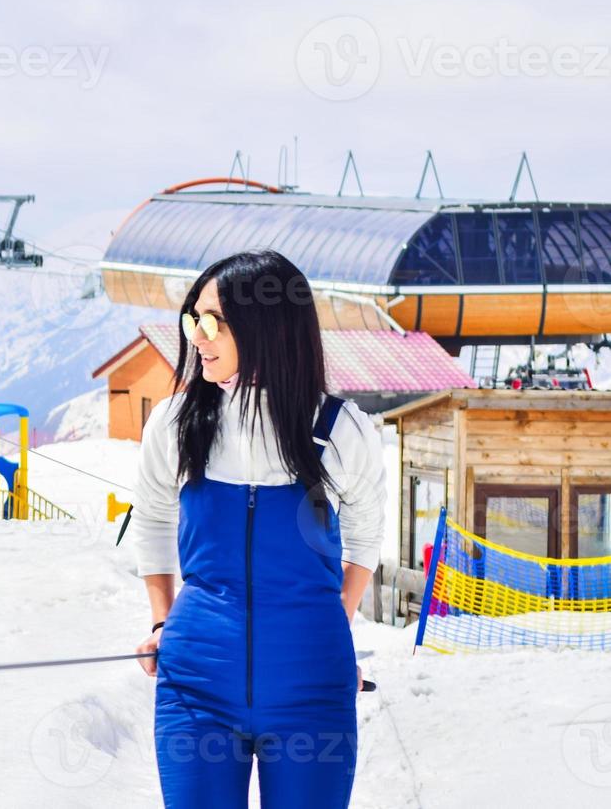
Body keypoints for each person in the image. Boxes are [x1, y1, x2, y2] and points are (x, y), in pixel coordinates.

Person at [131, 249, 387, 809]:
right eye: (190, 318)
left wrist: (333, 625)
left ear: (265, 326)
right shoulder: (176, 424)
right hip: (196, 689)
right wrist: (162, 619)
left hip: (312, 694)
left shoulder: (339, 431)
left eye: (210, 321)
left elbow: (366, 537)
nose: (194, 334)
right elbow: (151, 518)